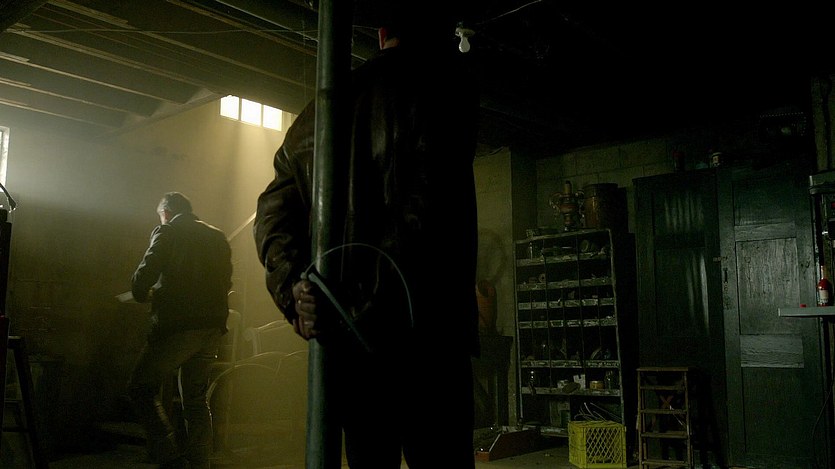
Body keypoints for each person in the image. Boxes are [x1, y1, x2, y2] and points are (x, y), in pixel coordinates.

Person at [253, 4, 480, 468]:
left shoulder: (316, 115)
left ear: (380, 35)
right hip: (429, 338)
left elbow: (272, 214)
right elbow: (427, 215)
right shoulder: (442, 93)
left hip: (350, 343)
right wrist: (377, 299)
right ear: (437, 36)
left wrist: (295, 290)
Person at [128, 192, 232, 469]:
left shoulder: (168, 231)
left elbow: (143, 278)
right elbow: (226, 282)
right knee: (196, 401)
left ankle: (169, 457)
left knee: (140, 387)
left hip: (178, 326)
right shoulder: (217, 236)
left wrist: (144, 293)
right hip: (212, 327)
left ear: (166, 213)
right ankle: (200, 463)